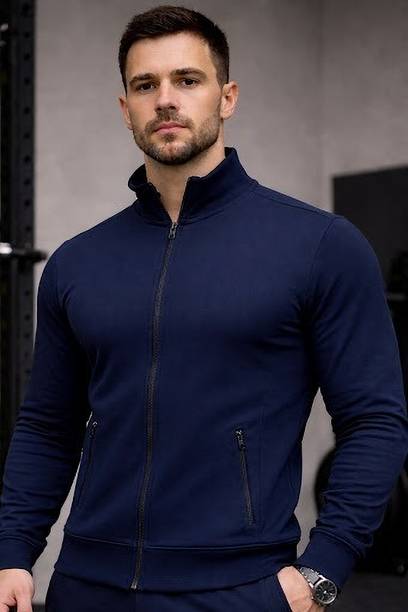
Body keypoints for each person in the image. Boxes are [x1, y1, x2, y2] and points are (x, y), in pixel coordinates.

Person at [0, 4, 407, 612]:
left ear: (227, 97)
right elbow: (47, 426)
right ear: (126, 108)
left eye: (187, 80)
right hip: (86, 585)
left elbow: (375, 420)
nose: (166, 100)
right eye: (146, 85)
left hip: (239, 589)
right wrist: (12, 550)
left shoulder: (320, 246)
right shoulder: (76, 264)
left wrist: (321, 572)